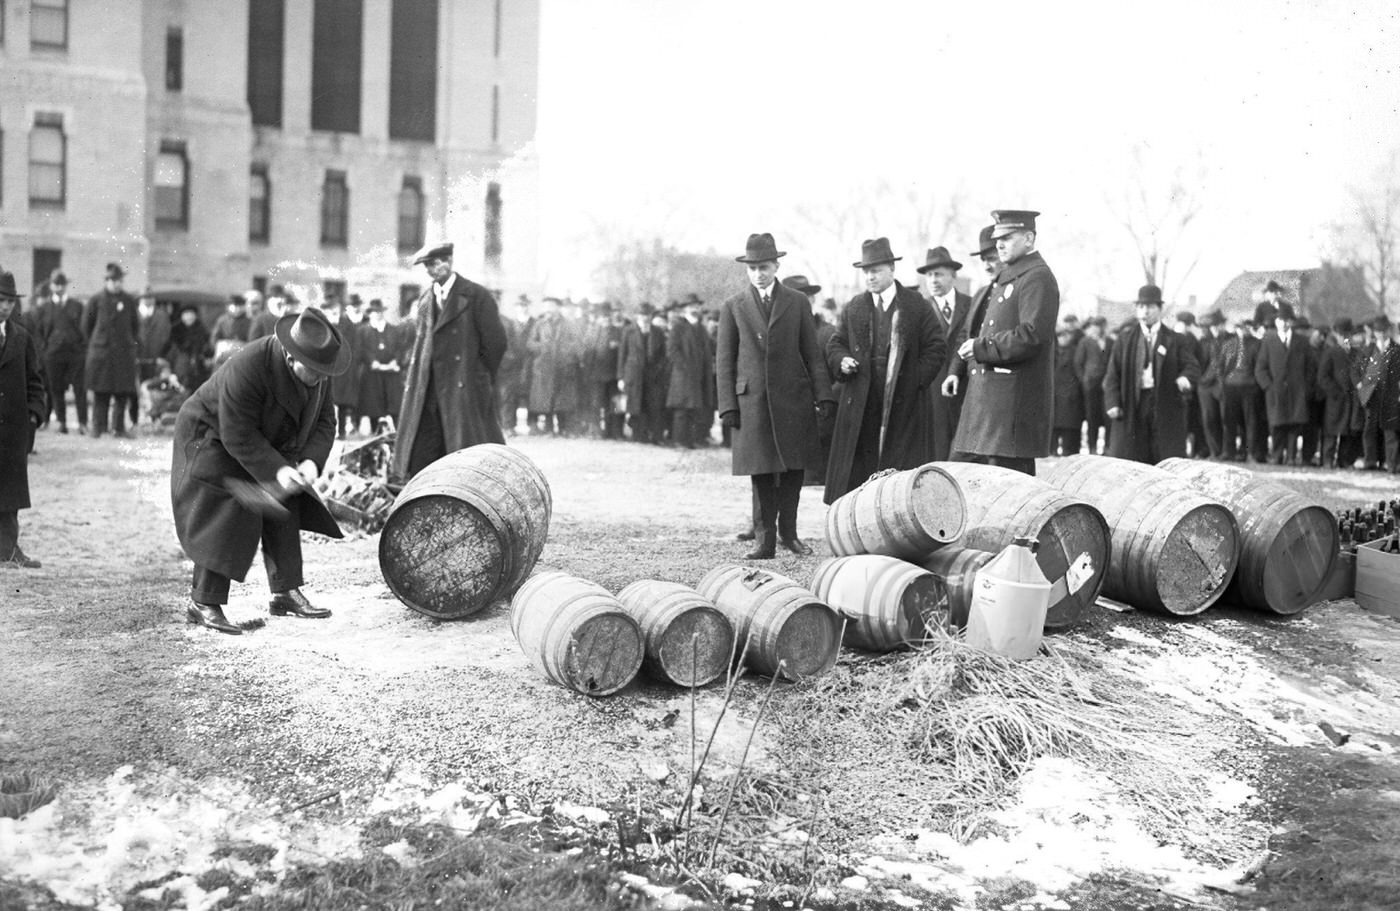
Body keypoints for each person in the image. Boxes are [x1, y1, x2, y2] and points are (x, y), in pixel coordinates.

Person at [171, 308, 349, 634]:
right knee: (225, 508)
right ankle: (203, 602)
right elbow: (236, 432)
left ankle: (285, 591)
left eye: (325, 373)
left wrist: (311, 461)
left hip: (263, 436)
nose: (322, 379)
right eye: (315, 372)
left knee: (285, 503)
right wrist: (278, 470)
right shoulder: (249, 366)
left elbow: (326, 421)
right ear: (290, 356)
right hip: (211, 435)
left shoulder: (317, 366)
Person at [716, 234, 835, 559]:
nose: (758, 274)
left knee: (794, 470)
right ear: (747, 270)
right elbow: (724, 361)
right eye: (752, 268)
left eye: (764, 267)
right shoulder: (734, 306)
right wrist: (727, 404)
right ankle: (764, 541)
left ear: (776, 266)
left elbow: (812, 354)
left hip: (792, 398)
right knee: (762, 472)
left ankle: (790, 534)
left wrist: (823, 394)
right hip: (752, 402)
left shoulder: (797, 302)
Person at [824, 237, 945, 503]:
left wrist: (915, 381)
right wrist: (842, 360)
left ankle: (897, 523)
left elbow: (936, 347)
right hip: (861, 398)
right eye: (866, 271)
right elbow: (836, 343)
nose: (870, 276)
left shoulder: (916, 305)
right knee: (860, 466)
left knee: (900, 469)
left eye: (876, 270)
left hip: (904, 400)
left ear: (892, 269)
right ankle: (857, 518)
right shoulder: (854, 306)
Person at [947, 210, 1059, 475]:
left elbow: (1031, 336)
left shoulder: (1037, 277)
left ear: (1029, 238)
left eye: (1007, 237)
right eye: (998, 238)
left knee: (1007, 497)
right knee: (957, 481)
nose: (999, 244)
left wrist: (979, 348)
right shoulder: (1010, 277)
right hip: (986, 410)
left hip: (1009, 415)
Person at [392, 241, 508, 481]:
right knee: (425, 446)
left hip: (463, 385)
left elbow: (495, 343)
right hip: (428, 387)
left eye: (435, 264)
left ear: (449, 262)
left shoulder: (476, 296)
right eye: (427, 266)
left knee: (466, 447)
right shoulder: (426, 299)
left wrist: (478, 375)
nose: (431, 270)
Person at [1103, 284, 1201, 464]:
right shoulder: (1124, 340)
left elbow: (1192, 366)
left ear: (1160, 309)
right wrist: (1113, 402)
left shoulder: (1175, 340)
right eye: (1141, 307)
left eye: (1149, 307)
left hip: (1164, 403)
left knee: (1164, 456)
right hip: (1132, 403)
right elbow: (1112, 376)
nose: (1144, 311)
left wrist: (1185, 378)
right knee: (1132, 457)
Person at [0, 271, 48, 568]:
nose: (4, 307)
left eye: (8, 301)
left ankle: (8, 549)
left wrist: (33, 414)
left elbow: (35, 381)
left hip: (14, 429)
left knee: (10, 492)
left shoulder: (22, 338)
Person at [916, 246, 971, 462]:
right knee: (936, 448)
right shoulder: (920, 308)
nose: (933, 280)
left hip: (966, 385)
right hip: (933, 389)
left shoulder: (971, 303)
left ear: (953, 275)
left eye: (938, 274)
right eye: (929, 275)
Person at [84, 262, 140, 438]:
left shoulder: (129, 301)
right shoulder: (96, 300)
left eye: (120, 280)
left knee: (122, 393)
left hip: (123, 355)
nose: (118, 284)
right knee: (101, 393)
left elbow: (135, 326)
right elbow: (86, 326)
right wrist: (98, 344)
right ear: (106, 281)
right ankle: (98, 427)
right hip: (102, 355)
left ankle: (118, 428)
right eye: (114, 280)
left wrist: (129, 343)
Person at [1255, 303, 1315, 465]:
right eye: (1281, 320)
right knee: (1277, 425)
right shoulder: (1269, 341)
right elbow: (1260, 368)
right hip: (1276, 391)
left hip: (1297, 391)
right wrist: (1268, 387)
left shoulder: (1302, 341)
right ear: (1276, 322)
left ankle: (1291, 457)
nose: (1284, 323)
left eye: (1288, 320)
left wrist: (1306, 388)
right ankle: (1277, 455)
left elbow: (1310, 367)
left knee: (1294, 426)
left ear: (1292, 322)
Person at [35, 270, 88, 435]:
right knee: (56, 389)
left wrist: (81, 350)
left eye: (61, 284)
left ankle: (82, 423)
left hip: (75, 355)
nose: (58, 287)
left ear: (66, 286)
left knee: (80, 389)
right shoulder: (44, 308)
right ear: (51, 286)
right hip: (53, 355)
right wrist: (45, 351)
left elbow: (84, 330)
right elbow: (40, 332)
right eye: (55, 284)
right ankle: (61, 422)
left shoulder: (77, 306)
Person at [525, 296, 580, 436]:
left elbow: (577, 343)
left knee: (562, 400)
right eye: (545, 306)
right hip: (544, 368)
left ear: (557, 308)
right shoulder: (539, 324)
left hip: (562, 367)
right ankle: (548, 428)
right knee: (545, 399)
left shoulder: (568, 324)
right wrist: (542, 347)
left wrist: (566, 352)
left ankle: (563, 429)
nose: (547, 309)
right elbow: (530, 343)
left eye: (550, 306)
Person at [666, 294, 711, 449]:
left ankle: (690, 440)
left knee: (694, 410)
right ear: (685, 309)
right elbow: (672, 350)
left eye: (697, 306)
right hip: (683, 376)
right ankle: (678, 440)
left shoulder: (701, 328)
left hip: (699, 375)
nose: (695, 309)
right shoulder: (678, 326)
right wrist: (685, 367)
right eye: (692, 306)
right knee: (681, 410)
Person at [1218, 318, 1265, 462]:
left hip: (1249, 387)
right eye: (1239, 327)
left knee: (1251, 421)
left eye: (1245, 327)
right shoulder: (1229, 344)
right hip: (1231, 387)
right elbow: (1221, 367)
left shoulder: (1257, 344)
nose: (1242, 330)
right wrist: (1223, 383)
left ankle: (1250, 453)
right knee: (1229, 420)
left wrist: (1256, 385)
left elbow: (1260, 366)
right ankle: (1229, 452)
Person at [357, 299, 407, 433]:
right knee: (374, 406)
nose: (377, 315)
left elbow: (400, 349)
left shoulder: (394, 330)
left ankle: (397, 434)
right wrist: (372, 361)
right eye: (374, 312)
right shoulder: (363, 331)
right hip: (373, 374)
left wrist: (395, 361)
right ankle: (376, 435)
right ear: (370, 314)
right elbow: (361, 349)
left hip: (391, 374)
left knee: (394, 406)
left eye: (379, 312)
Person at [326, 297, 365, 438]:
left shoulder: (349, 326)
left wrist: (350, 364)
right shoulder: (324, 324)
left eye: (336, 309)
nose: (333, 312)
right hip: (326, 368)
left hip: (344, 369)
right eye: (331, 310)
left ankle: (341, 431)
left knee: (341, 402)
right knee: (326, 401)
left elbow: (356, 348)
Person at [1075, 317, 1112, 454]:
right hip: (1090, 385)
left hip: (1107, 386)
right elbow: (1078, 363)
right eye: (1096, 326)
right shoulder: (1085, 342)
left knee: (1108, 417)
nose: (1098, 329)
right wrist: (1084, 380)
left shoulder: (1110, 342)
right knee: (1092, 417)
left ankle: (1107, 448)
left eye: (1101, 326)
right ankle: (1092, 448)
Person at [1195, 310, 1227, 459]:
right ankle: (1214, 450)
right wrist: (1201, 380)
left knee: (1223, 418)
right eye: (1201, 327)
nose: (1203, 329)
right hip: (1205, 387)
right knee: (1208, 419)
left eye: (1206, 326)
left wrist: (1204, 379)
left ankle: (1224, 451)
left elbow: (1217, 363)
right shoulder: (1201, 343)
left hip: (1219, 385)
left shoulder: (1225, 341)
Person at [1052, 324, 1084, 454]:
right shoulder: (1052, 351)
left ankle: (1068, 450)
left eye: (1066, 335)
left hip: (1071, 393)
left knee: (1069, 427)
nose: (1063, 338)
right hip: (1055, 392)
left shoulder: (1075, 351)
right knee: (1054, 425)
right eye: (1060, 336)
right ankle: (1052, 450)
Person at [166, 305, 212, 392]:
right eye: (186, 314)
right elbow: (169, 355)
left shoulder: (202, 331)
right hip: (179, 370)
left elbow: (207, 349)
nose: (189, 317)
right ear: (182, 316)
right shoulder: (175, 332)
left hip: (198, 370)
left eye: (191, 314)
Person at [210, 293, 252, 370]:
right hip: (223, 355)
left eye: (241, 306)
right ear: (229, 307)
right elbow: (215, 337)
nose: (238, 309)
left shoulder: (249, 322)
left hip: (241, 356)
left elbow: (252, 339)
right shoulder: (222, 320)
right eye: (235, 306)